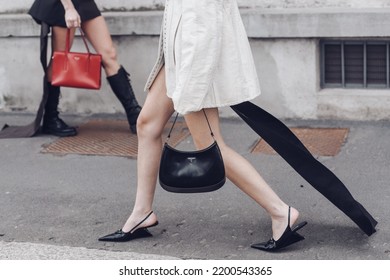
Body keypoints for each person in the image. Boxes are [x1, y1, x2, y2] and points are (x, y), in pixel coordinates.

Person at [98, 0, 308, 252]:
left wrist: (190, 88)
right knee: (147, 125)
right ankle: (142, 213)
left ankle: (280, 212)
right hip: (180, 58)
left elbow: (204, 28)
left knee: (210, 144)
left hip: (193, 65)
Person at [27, 0, 142, 136]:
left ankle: (134, 114)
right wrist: (69, 8)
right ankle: (50, 119)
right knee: (59, 60)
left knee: (109, 54)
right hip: (62, 4)